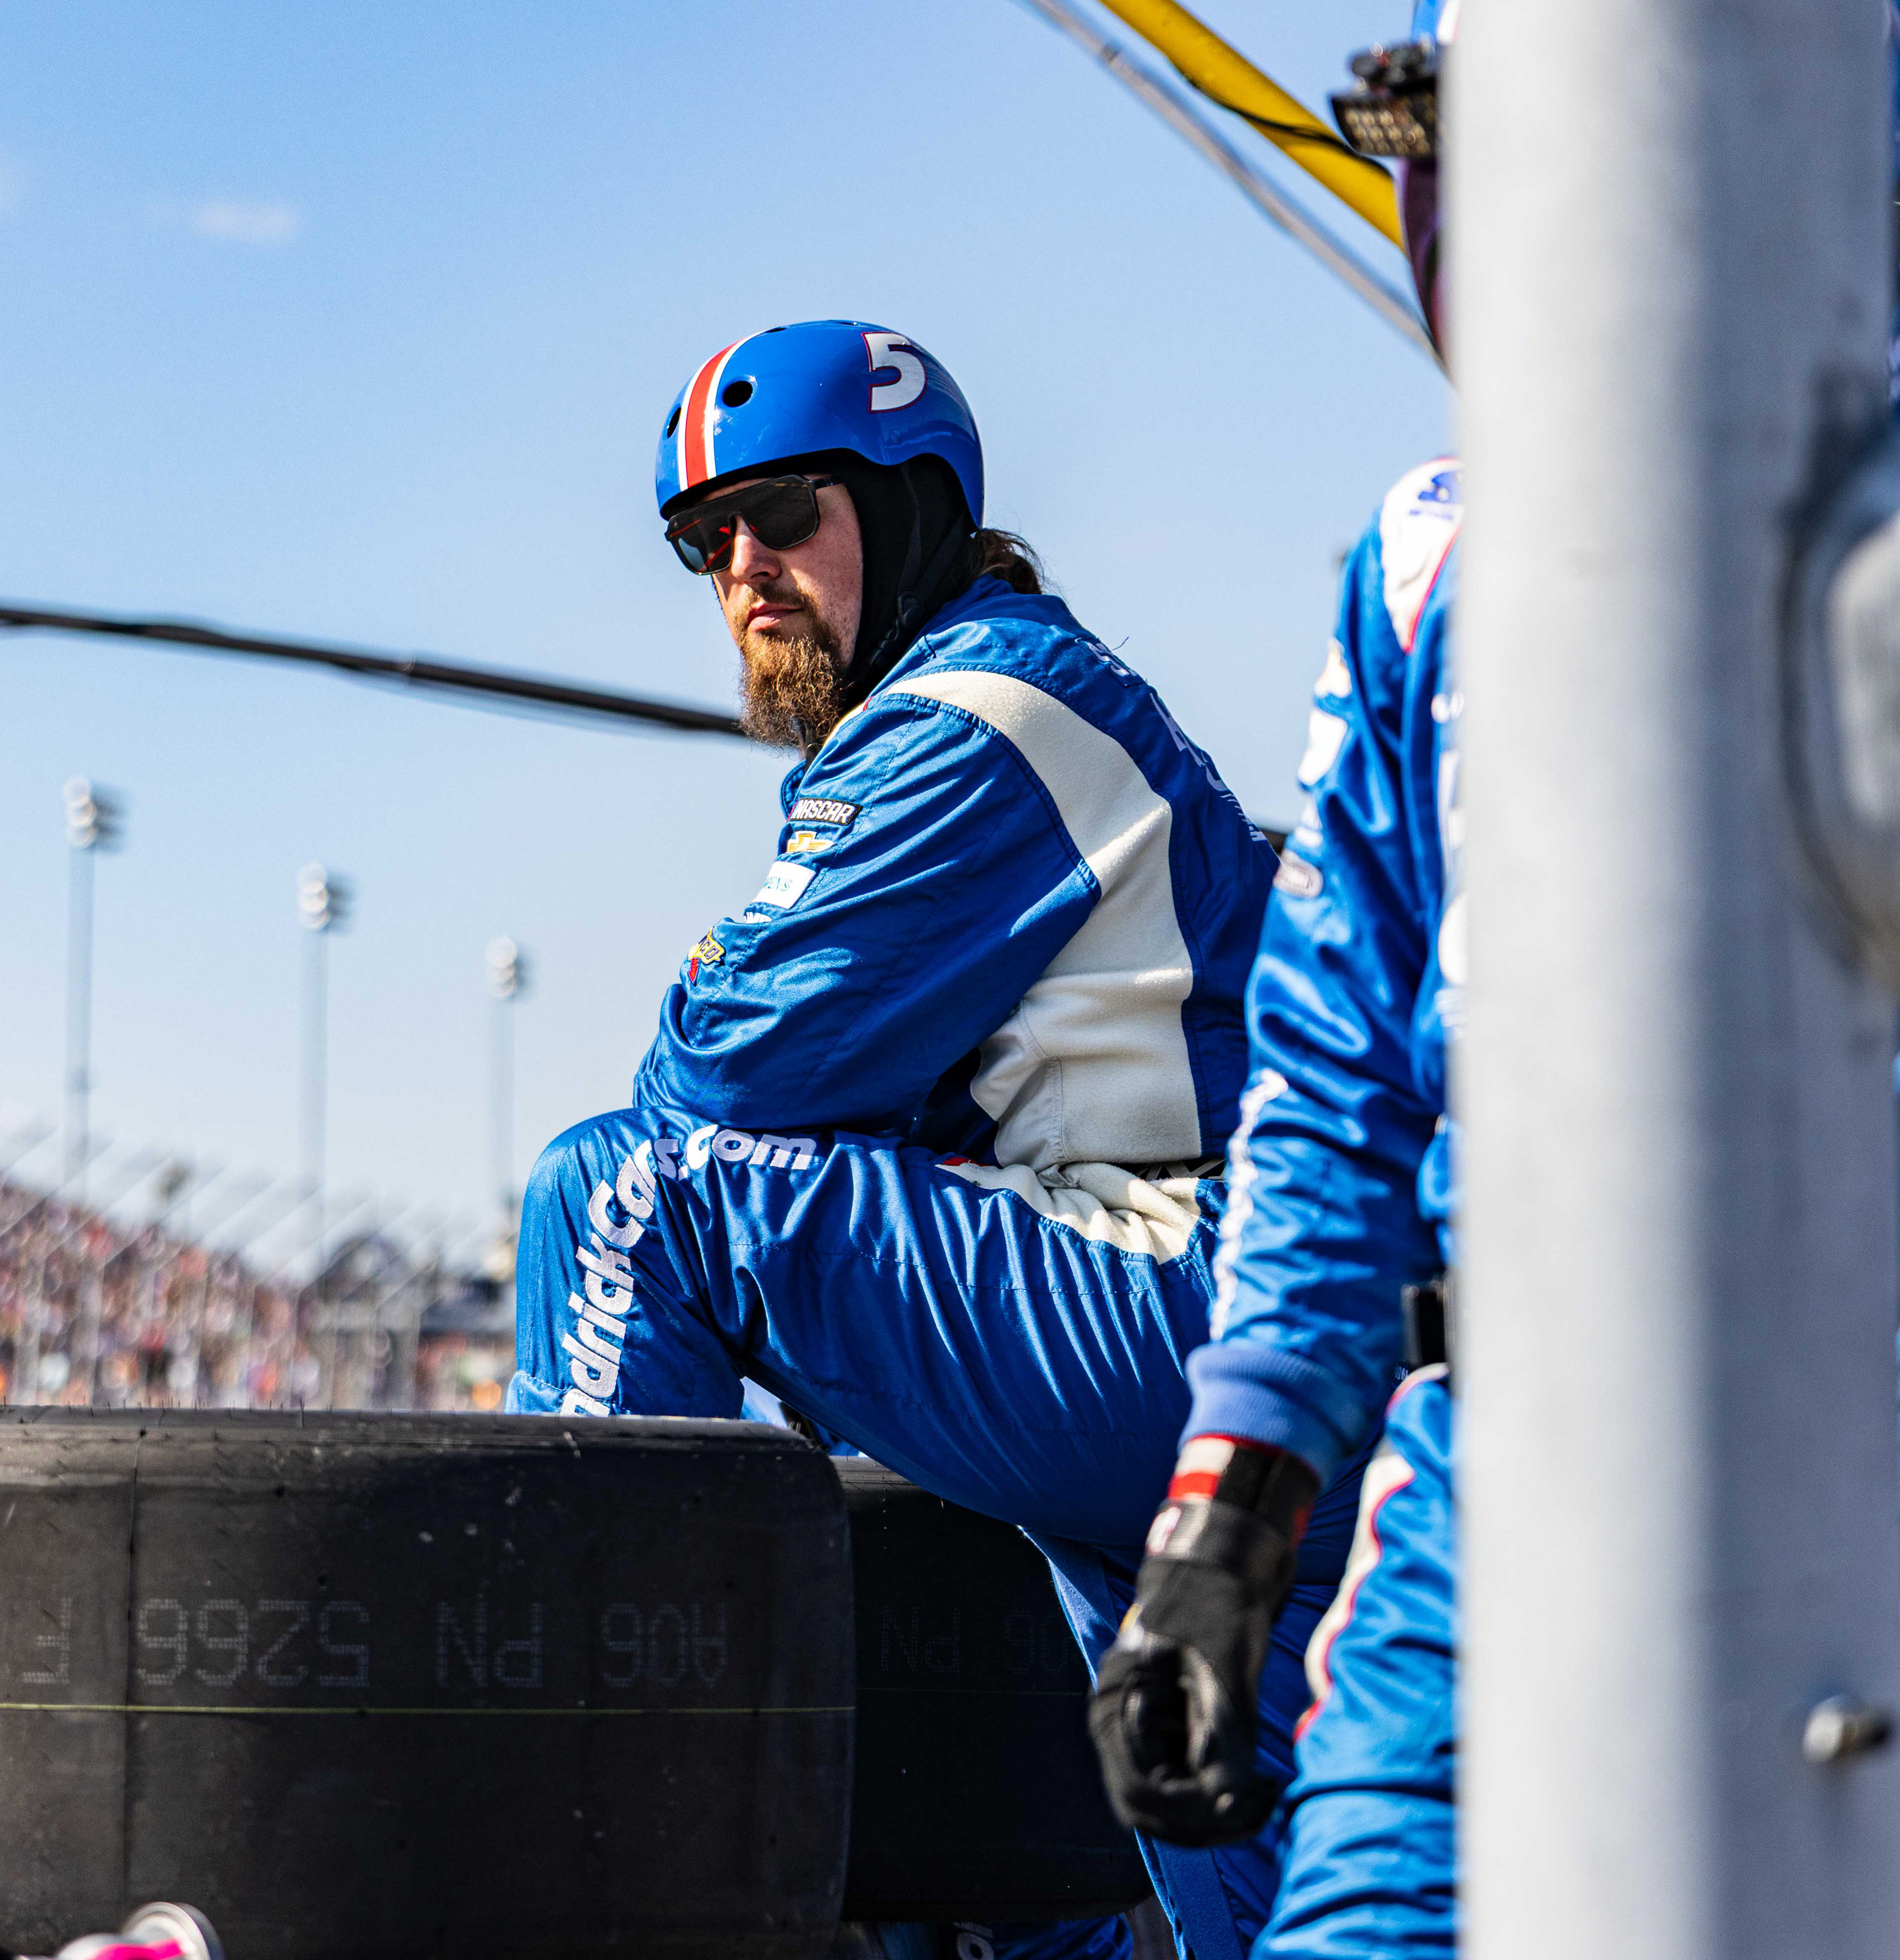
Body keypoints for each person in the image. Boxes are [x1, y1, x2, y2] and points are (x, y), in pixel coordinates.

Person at [1090, 7, 1900, 1952]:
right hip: (1482, 1502)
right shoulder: (1425, 571)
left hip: (1870, 1519)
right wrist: (1232, 1497)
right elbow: (1336, 1082)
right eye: (1437, 143)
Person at [504, 320, 1364, 1958]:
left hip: (1182, 1315)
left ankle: (603, 1887)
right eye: (703, 541)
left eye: (780, 514)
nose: (739, 569)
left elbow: (719, 1080)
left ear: (907, 510)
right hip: (1273, 1374)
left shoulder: (972, 714)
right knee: (1229, 1910)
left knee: (629, 1191)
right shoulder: (1031, 698)